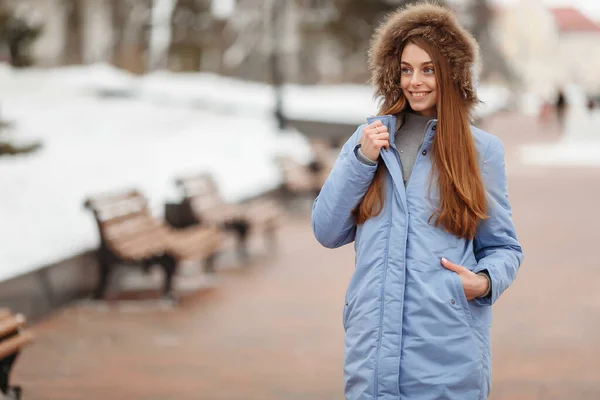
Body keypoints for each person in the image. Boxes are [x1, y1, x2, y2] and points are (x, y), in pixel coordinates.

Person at [311, 3, 523, 400]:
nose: (416, 82)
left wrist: (482, 283)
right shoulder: (369, 140)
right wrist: (360, 161)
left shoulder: (481, 151)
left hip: (446, 355)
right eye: (406, 69)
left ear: (452, 73)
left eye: (428, 69)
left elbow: (504, 247)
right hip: (371, 357)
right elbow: (326, 230)